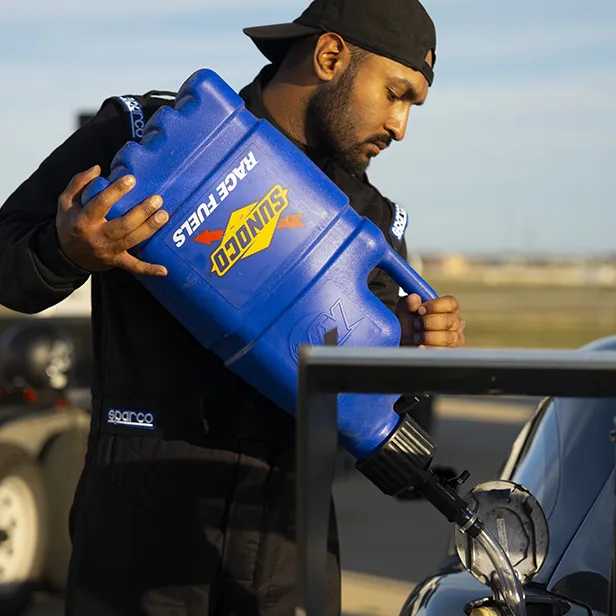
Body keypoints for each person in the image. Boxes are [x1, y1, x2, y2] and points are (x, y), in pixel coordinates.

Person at [0, 0, 466, 613]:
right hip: (139, 521)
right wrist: (65, 250)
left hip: (284, 540)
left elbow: (365, 409)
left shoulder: (369, 221)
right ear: (330, 56)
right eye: (396, 94)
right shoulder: (141, 135)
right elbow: (7, 263)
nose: (400, 126)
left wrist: (413, 352)